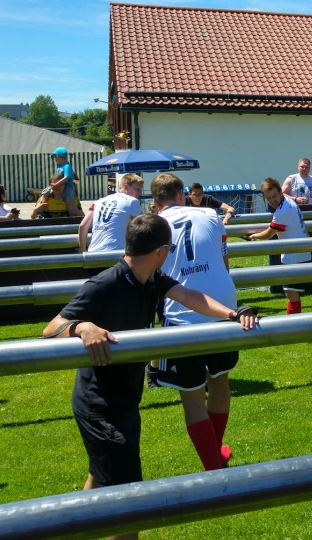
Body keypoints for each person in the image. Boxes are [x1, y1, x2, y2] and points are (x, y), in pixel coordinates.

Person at [42, 213, 257, 540]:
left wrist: (232, 313)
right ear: (162, 251)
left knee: (101, 474)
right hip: (99, 404)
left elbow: (190, 296)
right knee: (130, 501)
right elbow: (50, 329)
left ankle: (68, 529)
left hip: (125, 399)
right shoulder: (104, 285)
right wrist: (81, 327)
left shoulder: (152, 279)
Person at [151, 174, 251, 473]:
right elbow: (224, 262)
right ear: (182, 194)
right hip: (223, 306)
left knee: (192, 396)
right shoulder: (210, 214)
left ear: (155, 202)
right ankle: (215, 453)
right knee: (219, 381)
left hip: (183, 312)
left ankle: (212, 466)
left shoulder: (154, 225)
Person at [247, 177, 311, 314]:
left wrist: (253, 236)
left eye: (275, 196)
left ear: (281, 192)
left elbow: (268, 234)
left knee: (291, 294)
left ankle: (293, 326)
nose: (272, 200)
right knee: (292, 293)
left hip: (294, 255)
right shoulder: (289, 203)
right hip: (300, 252)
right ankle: (294, 324)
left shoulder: (283, 210)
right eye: (269, 198)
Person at [79, 174, 144, 252]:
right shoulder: (132, 202)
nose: (140, 193)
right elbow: (144, 226)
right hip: (116, 252)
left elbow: (83, 226)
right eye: (137, 189)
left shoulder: (98, 201)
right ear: (126, 187)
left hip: (93, 252)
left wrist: (82, 251)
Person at [50, 147, 83, 217]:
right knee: (46, 194)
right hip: (60, 187)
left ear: (57, 156)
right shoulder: (59, 166)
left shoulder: (67, 166)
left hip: (67, 187)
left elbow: (66, 178)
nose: (55, 159)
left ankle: (72, 218)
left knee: (70, 204)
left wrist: (55, 185)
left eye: (55, 157)